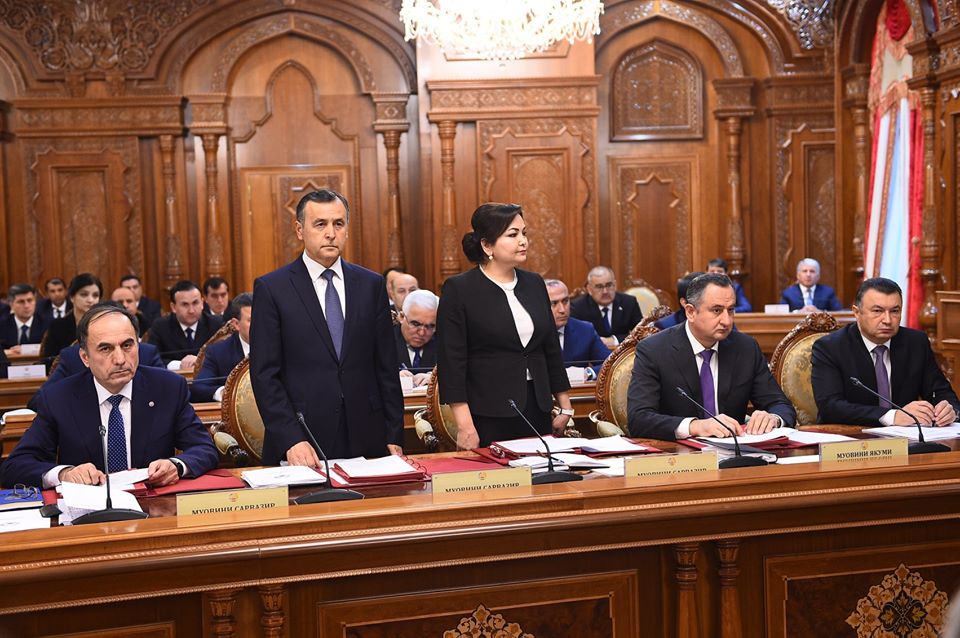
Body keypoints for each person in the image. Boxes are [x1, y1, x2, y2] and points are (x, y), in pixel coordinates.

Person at [250, 188, 403, 464]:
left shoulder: (371, 285)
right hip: (303, 437)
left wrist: (394, 433)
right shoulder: (272, 288)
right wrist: (290, 438)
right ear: (300, 230)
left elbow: (386, 367)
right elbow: (264, 375)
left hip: (368, 436)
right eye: (320, 224)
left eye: (338, 223)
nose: (331, 233)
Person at [2, 303, 218, 489]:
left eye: (127, 345)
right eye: (105, 349)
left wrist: (176, 465)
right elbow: (15, 465)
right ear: (85, 357)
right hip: (88, 512)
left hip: (154, 508)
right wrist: (64, 474)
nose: (120, 359)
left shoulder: (168, 388)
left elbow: (204, 448)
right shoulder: (59, 398)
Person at [437, 203, 574, 449]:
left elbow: (550, 348)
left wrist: (565, 406)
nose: (523, 241)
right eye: (512, 234)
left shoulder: (534, 283)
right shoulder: (460, 289)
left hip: (537, 405)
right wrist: (465, 425)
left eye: (524, 233)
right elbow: (452, 363)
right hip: (488, 410)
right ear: (487, 245)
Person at [627, 273, 797, 441]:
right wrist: (695, 426)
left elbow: (780, 405)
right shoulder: (654, 350)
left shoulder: (746, 348)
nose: (727, 321)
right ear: (690, 312)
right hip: (677, 453)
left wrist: (773, 418)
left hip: (736, 451)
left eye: (731, 310)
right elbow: (639, 419)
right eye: (717, 310)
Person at [811, 277, 959, 426]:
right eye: (877, 311)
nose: (887, 320)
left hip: (908, 435)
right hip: (850, 435)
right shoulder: (830, 348)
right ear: (856, 312)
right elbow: (830, 407)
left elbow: (940, 391)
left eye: (895, 311)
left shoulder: (916, 343)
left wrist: (948, 409)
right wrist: (892, 416)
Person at [148, 280, 223, 370]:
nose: (191, 310)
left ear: (202, 303)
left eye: (195, 303)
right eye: (185, 304)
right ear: (173, 307)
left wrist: (201, 361)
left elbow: (224, 356)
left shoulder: (216, 324)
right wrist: (179, 364)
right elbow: (151, 359)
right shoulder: (160, 326)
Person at [192, 293, 252, 402]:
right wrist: (224, 393)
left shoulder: (279, 347)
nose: (259, 324)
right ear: (236, 324)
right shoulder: (218, 352)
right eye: (251, 320)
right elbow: (199, 387)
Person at [545, 279, 610, 376]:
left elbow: (610, 364)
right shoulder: (529, 333)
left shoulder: (585, 330)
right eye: (553, 304)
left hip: (578, 385)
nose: (562, 310)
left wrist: (588, 373)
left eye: (565, 301)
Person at [569, 266, 643, 349]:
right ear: (589, 289)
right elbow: (576, 338)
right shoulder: (578, 307)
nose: (605, 291)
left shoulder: (629, 302)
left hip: (623, 352)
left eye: (609, 285)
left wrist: (615, 340)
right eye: (599, 287)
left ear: (615, 285)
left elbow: (641, 333)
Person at [41, 273, 103, 360]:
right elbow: (48, 360)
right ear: (72, 297)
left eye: (95, 295)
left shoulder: (104, 325)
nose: (90, 300)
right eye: (84, 295)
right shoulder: (57, 326)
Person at [395, 289, 438, 376]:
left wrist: (433, 377)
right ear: (401, 317)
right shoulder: (384, 341)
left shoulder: (444, 342)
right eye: (415, 324)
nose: (422, 333)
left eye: (430, 326)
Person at [1, 284, 48, 353]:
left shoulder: (47, 324)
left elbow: (51, 348)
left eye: (30, 300)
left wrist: (25, 349)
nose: (26, 306)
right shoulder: (2, 325)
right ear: (11, 304)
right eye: (21, 302)